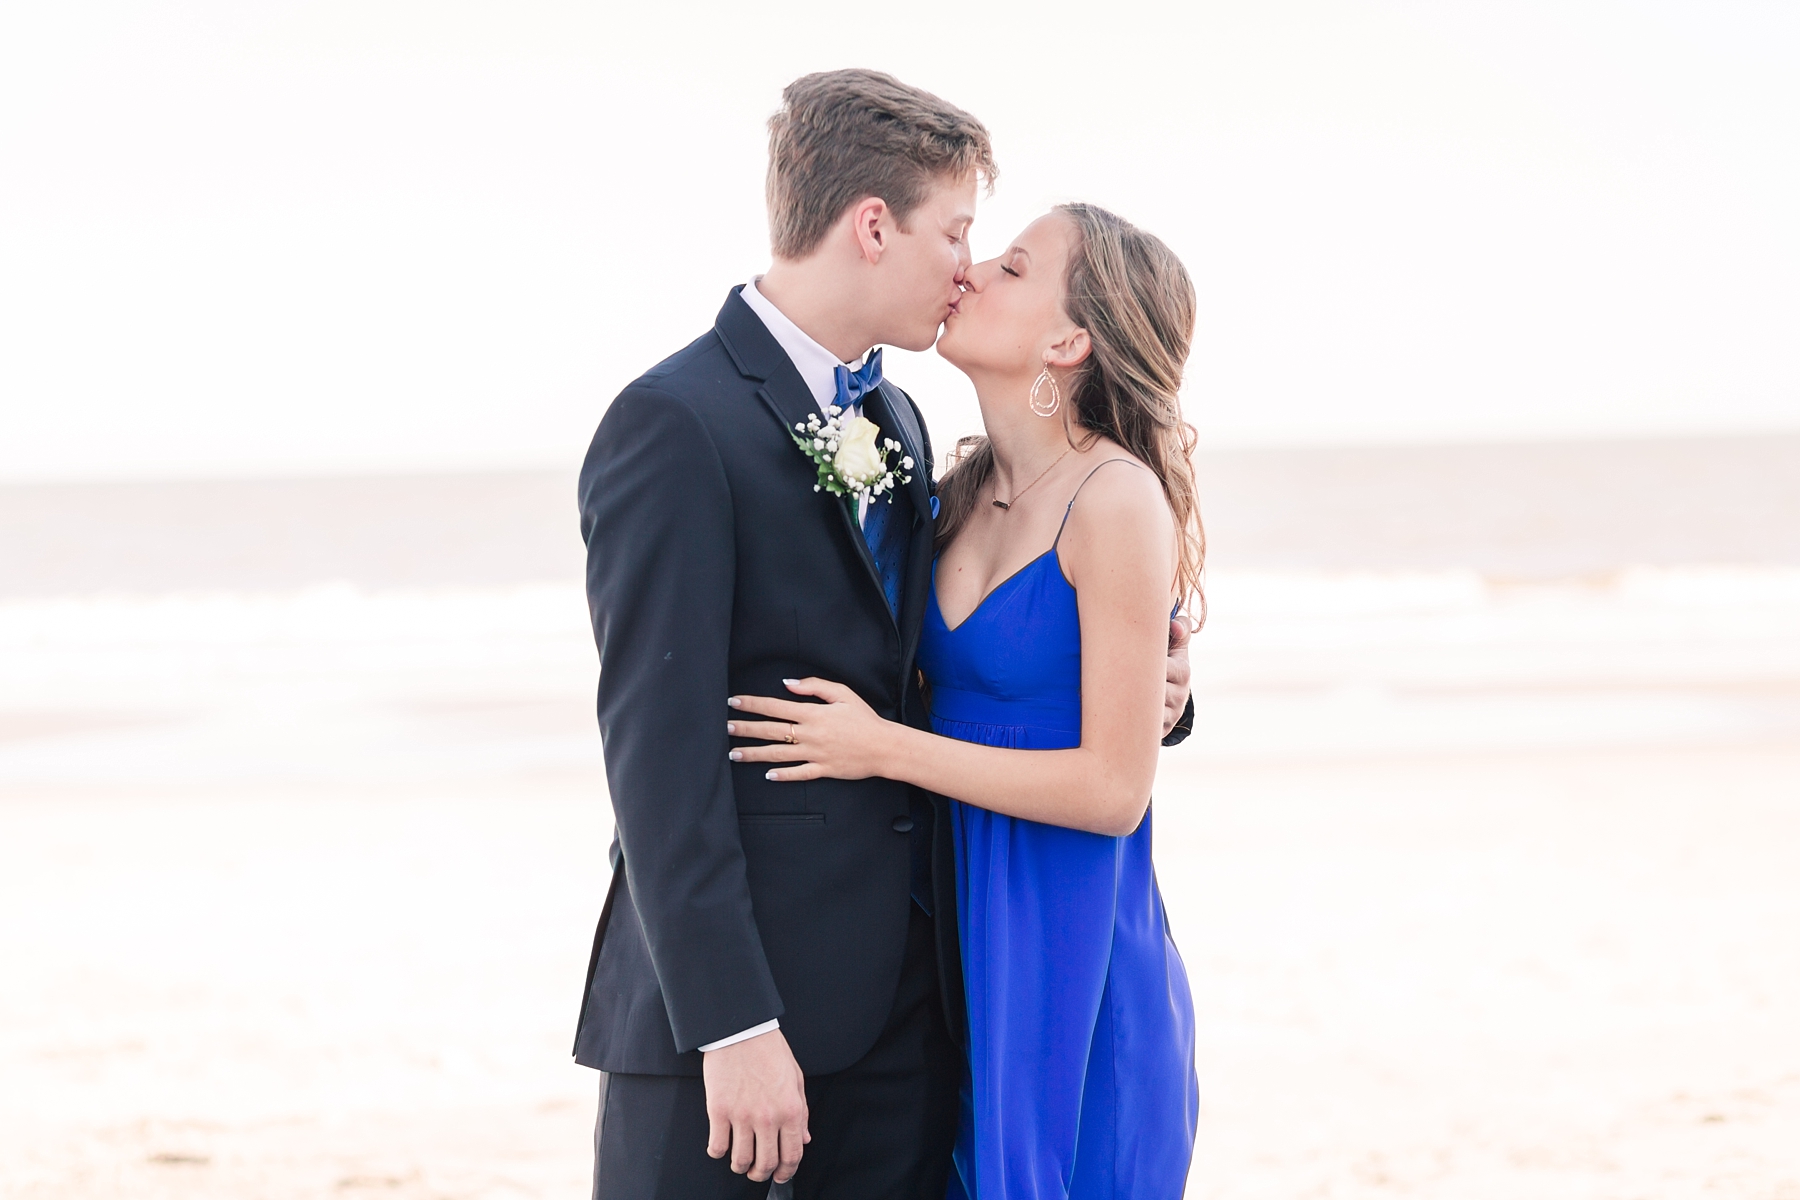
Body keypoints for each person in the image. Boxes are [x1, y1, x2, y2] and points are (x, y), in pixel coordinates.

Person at [575, 70, 1194, 1199]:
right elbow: (653, 762)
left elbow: (941, 662)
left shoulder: (899, 422)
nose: (969, 264)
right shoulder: (675, 424)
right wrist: (732, 1024)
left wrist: (1160, 686)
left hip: (918, 1011)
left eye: (995, 253)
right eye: (961, 233)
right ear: (873, 226)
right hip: (723, 1037)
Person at [728, 203, 1203, 1198]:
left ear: (1070, 341)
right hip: (955, 936)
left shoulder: (1113, 500)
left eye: (1014, 266)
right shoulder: (949, 494)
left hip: (1067, 943)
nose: (974, 270)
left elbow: (1114, 791)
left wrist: (882, 748)